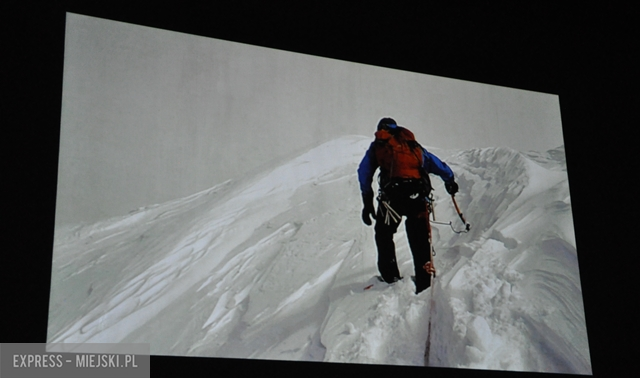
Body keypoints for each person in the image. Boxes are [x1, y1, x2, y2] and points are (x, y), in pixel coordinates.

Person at [357, 117, 459, 294]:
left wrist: (367, 201)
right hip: (417, 198)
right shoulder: (411, 144)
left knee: (384, 234)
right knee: (419, 238)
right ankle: (424, 281)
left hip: (391, 200)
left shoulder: (378, 146)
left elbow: (364, 172)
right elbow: (436, 164)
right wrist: (449, 181)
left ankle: (390, 278)